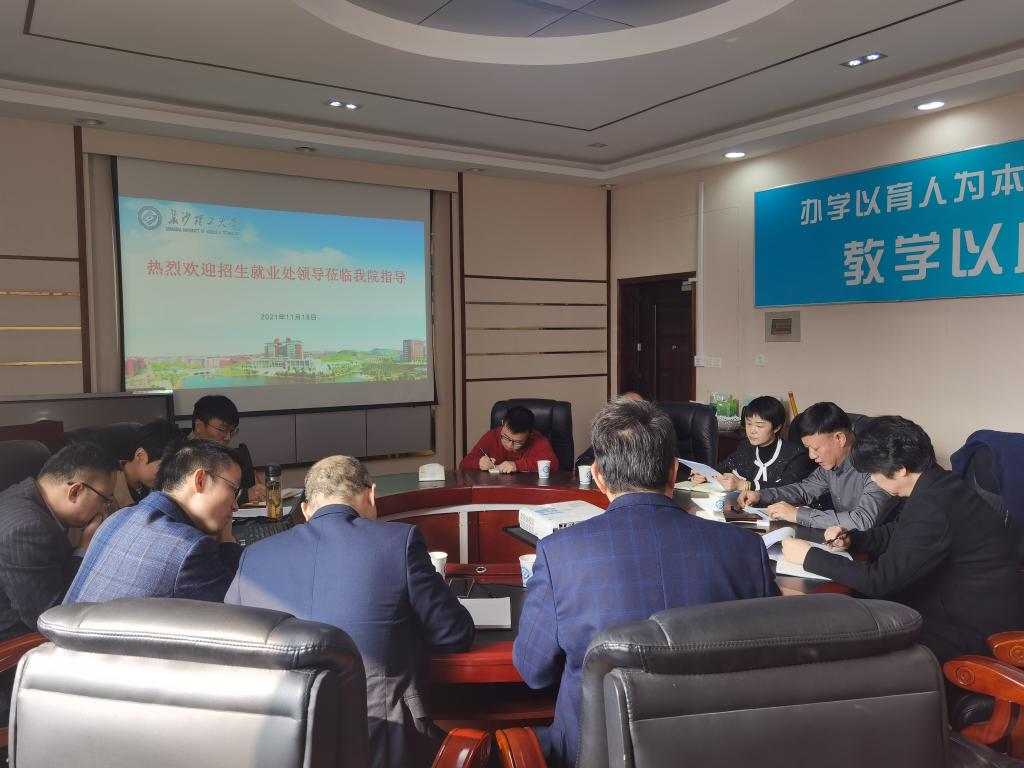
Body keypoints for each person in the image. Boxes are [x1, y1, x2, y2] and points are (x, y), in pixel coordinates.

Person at [513, 398, 778, 768]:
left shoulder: (560, 554)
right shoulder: (745, 550)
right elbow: (770, 665)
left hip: (598, 753)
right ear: (673, 471)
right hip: (717, 750)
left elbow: (534, 672)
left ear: (598, 476)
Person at [225, 456, 474, 768]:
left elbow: (232, 651)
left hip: (282, 743)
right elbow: (453, 634)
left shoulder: (254, 557)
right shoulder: (399, 541)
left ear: (306, 510)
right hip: (383, 741)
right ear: (371, 495)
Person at [781, 416, 1023, 663]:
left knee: (845, 626)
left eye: (873, 473)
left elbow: (881, 580)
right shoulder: (938, 481)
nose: (873, 480)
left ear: (900, 469)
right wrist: (853, 539)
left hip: (974, 632)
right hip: (958, 602)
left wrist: (809, 556)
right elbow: (901, 530)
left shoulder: (932, 505)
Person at [64, 439, 243, 604]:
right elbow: (236, 608)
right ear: (200, 480)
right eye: (233, 489)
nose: (235, 505)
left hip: (67, 627)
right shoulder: (190, 547)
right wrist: (227, 541)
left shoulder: (118, 518)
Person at [0, 443, 118, 641]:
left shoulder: (20, 494)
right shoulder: (29, 528)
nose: (104, 509)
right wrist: (85, 547)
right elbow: (49, 617)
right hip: (15, 641)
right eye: (104, 499)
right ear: (75, 492)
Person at [736, 401, 895, 530]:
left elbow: (863, 521)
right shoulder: (831, 465)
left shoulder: (876, 466)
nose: (812, 456)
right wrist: (761, 495)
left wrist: (798, 515)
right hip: (842, 539)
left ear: (839, 438)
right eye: (808, 449)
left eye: (816, 448)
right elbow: (804, 489)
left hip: (877, 551)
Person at [690, 395, 815, 491]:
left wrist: (745, 485)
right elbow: (723, 468)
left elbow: (788, 488)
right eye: (749, 424)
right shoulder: (745, 446)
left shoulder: (795, 454)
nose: (752, 430)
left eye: (759, 426)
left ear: (777, 427)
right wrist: (704, 474)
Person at [190, 394, 266, 502]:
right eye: (222, 429)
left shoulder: (228, 456)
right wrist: (244, 496)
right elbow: (198, 498)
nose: (228, 437)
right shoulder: (181, 457)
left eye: (232, 431)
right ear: (199, 426)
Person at [459, 405, 558, 473]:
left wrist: (516, 466)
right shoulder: (492, 436)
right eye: (505, 438)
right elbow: (463, 464)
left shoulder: (537, 439)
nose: (510, 445)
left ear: (530, 434)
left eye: (518, 442)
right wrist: (479, 463)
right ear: (503, 424)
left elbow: (553, 464)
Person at [112, 419, 183, 510]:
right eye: (163, 468)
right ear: (140, 455)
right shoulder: (107, 489)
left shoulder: (153, 488)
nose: (166, 477)